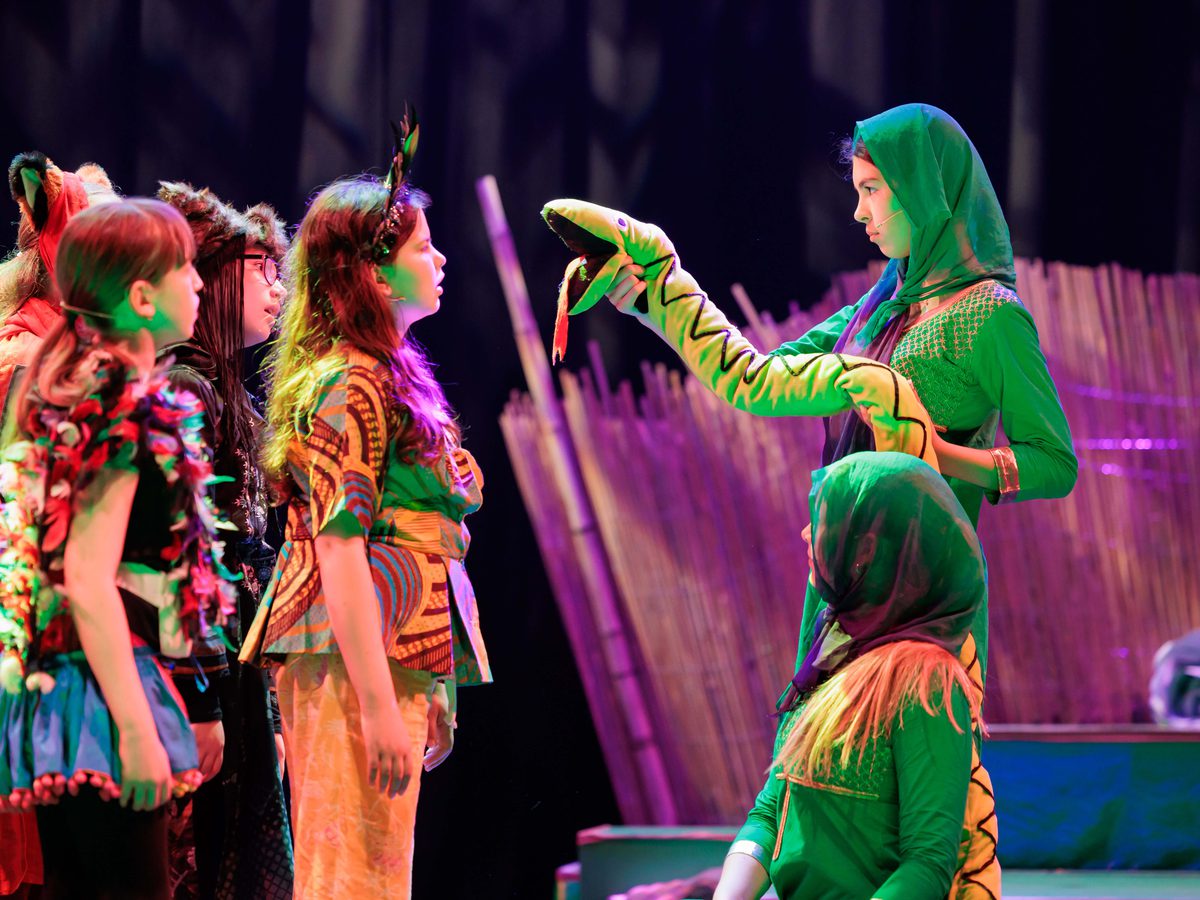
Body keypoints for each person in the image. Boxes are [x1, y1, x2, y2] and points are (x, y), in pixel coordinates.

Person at [605, 103, 1077, 897]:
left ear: (925, 193)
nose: (858, 212)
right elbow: (754, 378)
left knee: (923, 826)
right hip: (847, 581)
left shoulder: (991, 319)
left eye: (873, 192)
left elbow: (1054, 462)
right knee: (809, 764)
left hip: (926, 600)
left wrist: (934, 449)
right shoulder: (877, 310)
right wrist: (654, 294)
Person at [240, 116, 491, 898]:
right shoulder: (351, 384)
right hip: (351, 659)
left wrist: (429, 681)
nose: (441, 258)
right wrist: (379, 703)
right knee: (347, 880)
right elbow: (340, 547)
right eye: (422, 246)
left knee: (377, 877)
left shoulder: (387, 375)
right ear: (376, 275)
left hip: (388, 649)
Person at [0, 198, 235, 899]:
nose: (199, 285)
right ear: (139, 296)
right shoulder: (117, 402)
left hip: (70, 684)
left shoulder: (78, 390)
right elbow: (87, 577)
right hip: (100, 697)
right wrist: (135, 729)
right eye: (186, 269)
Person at [714, 452, 985, 899]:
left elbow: (927, 862)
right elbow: (771, 812)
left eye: (825, 518)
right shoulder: (831, 646)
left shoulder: (926, 682)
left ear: (867, 549)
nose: (806, 532)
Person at [157, 182, 293, 899]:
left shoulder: (229, 397)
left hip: (234, 679)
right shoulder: (184, 387)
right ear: (212, 273)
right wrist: (206, 704)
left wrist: (266, 710)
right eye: (261, 267)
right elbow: (191, 557)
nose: (277, 286)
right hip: (196, 682)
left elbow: (252, 567)